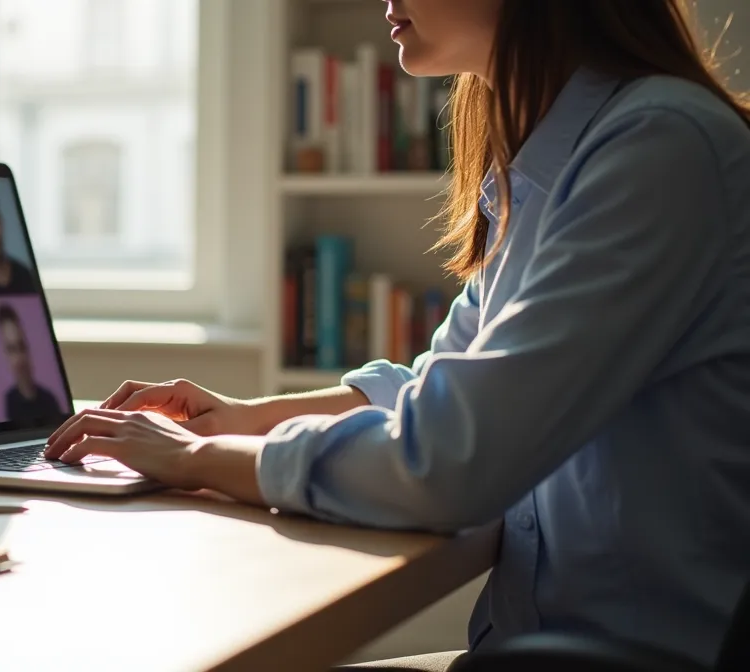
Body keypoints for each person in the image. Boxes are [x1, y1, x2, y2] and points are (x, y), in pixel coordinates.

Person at [44, 1, 750, 670]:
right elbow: (433, 385)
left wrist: (204, 457)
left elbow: (447, 458)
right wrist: (239, 418)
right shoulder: (544, 168)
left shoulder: (659, 148)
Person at [0, 302, 61, 426]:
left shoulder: (49, 399)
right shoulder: (9, 400)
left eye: (21, 347)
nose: (19, 358)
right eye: (11, 349)